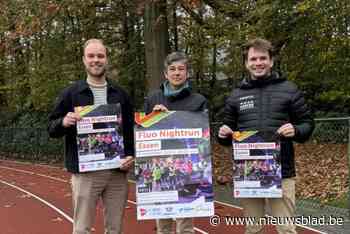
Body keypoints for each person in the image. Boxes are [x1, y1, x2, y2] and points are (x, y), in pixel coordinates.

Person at [217, 38, 314, 234]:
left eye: (263, 58)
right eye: (253, 59)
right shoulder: (236, 95)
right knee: (253, 228)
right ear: (246, 63)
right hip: (248, 171)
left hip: (282, 170)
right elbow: (225, 132)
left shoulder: (289, 89)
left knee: (286, 228)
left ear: (271, 61)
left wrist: (296, 130)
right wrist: (222, 133)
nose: (258, 63)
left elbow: (308, 124)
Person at [48, 38, 134, 234]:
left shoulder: (120, 94)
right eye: (91, 56)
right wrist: (63, 122)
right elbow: (51, 128)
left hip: (117, 172)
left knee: (115, 229)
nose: (96, 60)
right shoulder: (71, 93)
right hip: (86, 173)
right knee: (82, 229)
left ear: (107, 59)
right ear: (84, 60)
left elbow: (130, 130)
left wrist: (131, 154)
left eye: (100, 56)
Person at [144, 52, 207, 234]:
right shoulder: (153, 98)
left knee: (185, 224)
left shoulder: (199, 101)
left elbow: (203, 137)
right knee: (162, 223)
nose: (177, 73)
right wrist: (153, 117)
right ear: (165, 73)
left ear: (187, 73)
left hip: (185, 165)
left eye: (181, 69)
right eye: (172, 69)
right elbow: (143, 131)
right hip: (161, 164)